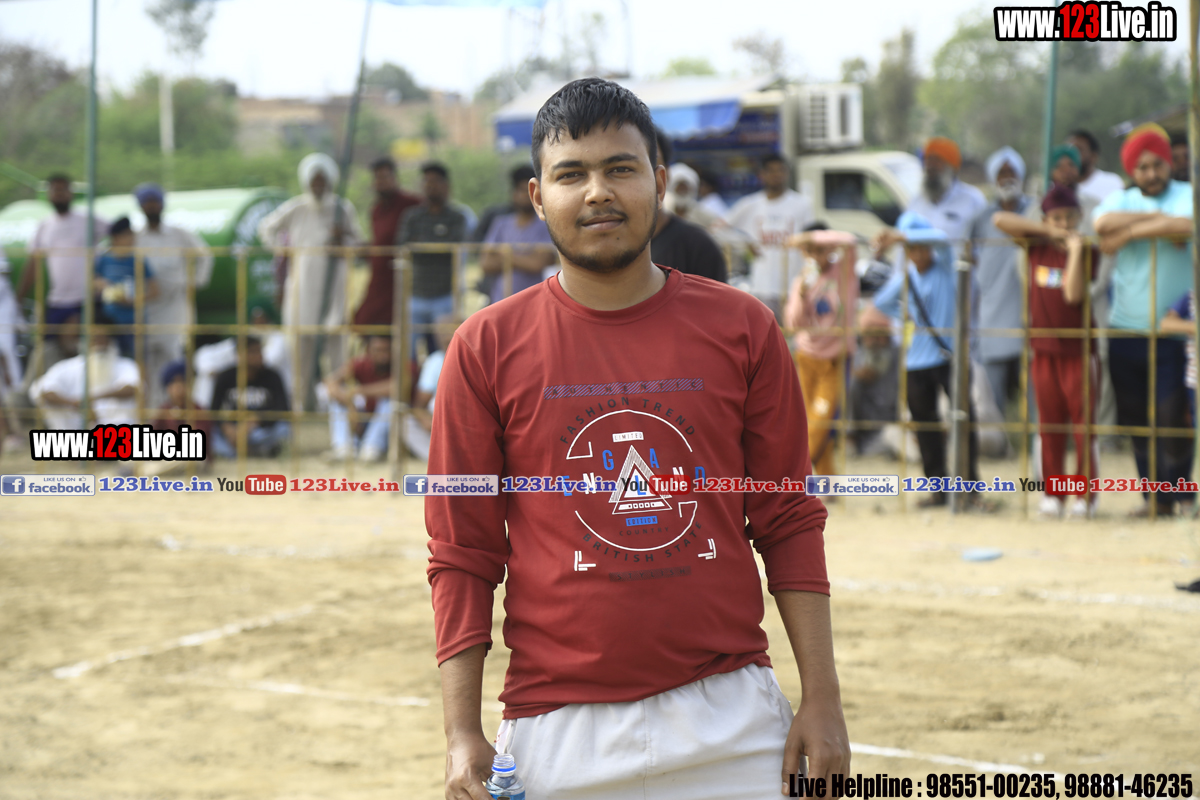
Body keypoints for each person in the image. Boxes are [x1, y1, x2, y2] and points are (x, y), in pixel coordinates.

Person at [428, 77, 848, 800]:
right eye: (572, 174)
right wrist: (461, 731)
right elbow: (462, 549)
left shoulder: (743, 328)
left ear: (658, 182)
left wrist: (823, 697)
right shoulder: (484, 347)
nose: (598, 192)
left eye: (619, 169)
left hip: (734, 721)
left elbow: (786, 516)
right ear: (537, 197)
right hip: (557, 731)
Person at [1094, 124, 1196, 517]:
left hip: (1173, 331)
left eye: (1157, 165)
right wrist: (1154, 218)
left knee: (1173, 417)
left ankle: (1182, 496)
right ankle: (1154, 499)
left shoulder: (1185, 193)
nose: (1151, 174)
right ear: (1131, 172)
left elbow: (1186, 224)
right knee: (1136, 421)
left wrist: (1130, 233)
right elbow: (1101, 224)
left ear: (1169, 163)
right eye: (1142, 168)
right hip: (1125, 328)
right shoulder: (1121, 198)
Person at [994, 185, 1101, 518]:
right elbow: (1000, 220)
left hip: (1079, 351)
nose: (1064, 224)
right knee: (1049, 424)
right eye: (1056, 218)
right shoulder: (1035, 245)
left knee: (1082, 425)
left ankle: (1084, 496)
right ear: (1045, 220)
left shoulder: (1087, 250)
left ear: (1079, 217)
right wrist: (1048, 232)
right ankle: (1053, 494)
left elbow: (1073, 295)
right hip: (1043, 350)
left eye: (1069, 217)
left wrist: (1074, 251)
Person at [868, 212, 984, 508]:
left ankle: (969, 488)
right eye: (910, 249)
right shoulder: (906, 278)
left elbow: (942, 239)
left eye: (920, 247)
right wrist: (906, 314)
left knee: (963, 422)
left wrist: (898, 236)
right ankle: (938, 490)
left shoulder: (945, 267)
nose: (916, 254)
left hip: (949, 357)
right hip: (916, 362)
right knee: (926, 429)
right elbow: (880, 302)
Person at [258, 152, 363, 412]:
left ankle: (339, 405)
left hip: (334, 289)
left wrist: (342, 238)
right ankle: (303, 404)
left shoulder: (342, 208)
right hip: (302, 290)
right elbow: (267, 228)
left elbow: (358, 244)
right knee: (300, 351)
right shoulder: (297, 208)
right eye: (314, 181)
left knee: (337, 349)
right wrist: (283, 249)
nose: (318, 186)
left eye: (322, 181)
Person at [783, 229, 858, 477]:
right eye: (810, 251)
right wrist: (802, 295)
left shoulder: (844, 271)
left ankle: (791, 475)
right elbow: (794, 325)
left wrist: (810, 238)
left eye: (820, 249)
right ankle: (827, 483)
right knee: (809, 421)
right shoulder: (802, 280)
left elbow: (850, 240)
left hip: (835, 359)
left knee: (821, 421)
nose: (815, 255)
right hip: (807, 357)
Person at [133, 182, 214, 409]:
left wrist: (195, 282)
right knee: (147, 363)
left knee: (174, 358)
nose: (151, 206)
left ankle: (178, 411)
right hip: (147, 308)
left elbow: (205, 256)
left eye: (155, 202)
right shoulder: (137, 237)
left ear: (162, 204)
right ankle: (153, 414)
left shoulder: (178, 234)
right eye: (147, 202)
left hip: (174, 307)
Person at [18, 173, 108, 365]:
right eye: (55, 190)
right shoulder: (45, 225)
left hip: (85, 298)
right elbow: (33, 263)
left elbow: (119, 236)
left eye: (63, 190)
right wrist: (19, 297)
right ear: (49, 194)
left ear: (71, 193)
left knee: (83, 347)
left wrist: (106, 274)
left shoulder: (87, 219)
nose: (59, 194)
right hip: (57, 300)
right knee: (46, 349)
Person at [970, 147, 1030, 415]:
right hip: (992, 318)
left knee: (1033, 400)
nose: (1007, 178)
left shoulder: (1035, 210)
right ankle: (998, 437)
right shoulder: (982, 218)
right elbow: (967, 256)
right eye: (1001, 173)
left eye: (1012, 172)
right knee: (993, 404)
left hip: (1029, 319)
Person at [726, 153, 815, 318]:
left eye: (781, 170)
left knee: (792, 330)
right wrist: (745, 244)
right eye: (771, 171)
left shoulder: (801, 204)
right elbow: (721, 228)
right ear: (762, 174)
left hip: (791, 284)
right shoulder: (751, 204)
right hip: (762, 285)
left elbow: (812, 238)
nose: (776, 175)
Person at [397, 161, 467, 358]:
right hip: (415, 294)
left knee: (447, 353)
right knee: (407, 354)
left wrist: (421, 245)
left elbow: (454, 247)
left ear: (446, 185)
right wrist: (436, 245)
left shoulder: (457, 217)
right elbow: (403, 246)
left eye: (435, 181)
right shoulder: (412, 217)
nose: (430, 186)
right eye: (426, 181)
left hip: (445, 295)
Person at [29, 306, 140, 430]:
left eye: (103, 338)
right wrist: (75, 405)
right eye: (95, 339)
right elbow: (44, 390)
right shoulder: (67, 367)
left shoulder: (126, 365)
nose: (99, 343)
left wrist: (91, 399)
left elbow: (133, 388)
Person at [649, 129, 729, 283]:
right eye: (621, 168)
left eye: (651, 162)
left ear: (663, 177)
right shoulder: (606, 245)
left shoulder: (700, 245)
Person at [353, 158, 421, 330]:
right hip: (379, 278)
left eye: (384, 177)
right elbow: (378, 240)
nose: (380, 182)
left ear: (394, 178)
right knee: (367, 321)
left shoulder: (412, 204)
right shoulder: (376, 209)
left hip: (402, 277)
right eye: (377, 178)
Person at [480, 165, 558, 304]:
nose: (525, 196)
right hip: (500, 301)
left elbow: (538, 263)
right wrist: (524, 258)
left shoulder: (546, 225)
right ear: (513, 193)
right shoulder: (501, 224)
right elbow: (486, 263)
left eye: (529, 191)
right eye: (521, 190)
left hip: (534, 302)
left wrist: (505, 255)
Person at [208, 336, 291, 458]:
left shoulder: (272, 376)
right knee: (208, 433)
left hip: (260, 429)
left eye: (260, 351)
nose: (260, 356)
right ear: (240, 355)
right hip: (233, 428)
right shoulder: (225, 377)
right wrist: (226, 427)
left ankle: (236, 452)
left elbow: (283, 408)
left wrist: (257, 419)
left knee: (283, 429)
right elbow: (214, 410)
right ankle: (254, 451)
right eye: (253, 352)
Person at [94, 217, 159, 359]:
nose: (132, 239)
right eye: (127, 235)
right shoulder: (104, 260)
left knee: (138, 360)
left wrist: (133, 300)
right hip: (110, 322)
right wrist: (103, 286)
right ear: (116, 237)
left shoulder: (138, 260)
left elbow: (155, 291)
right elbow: (94, 282)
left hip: (134, 322)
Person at [323, 334, 394, 462]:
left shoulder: (400, 366)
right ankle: (344, 448)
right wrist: (350, 404)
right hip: (362, 418)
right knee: (337, 403)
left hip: (387, 426)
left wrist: (358, 390)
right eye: (378, 350)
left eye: (387, 350)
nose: (383, 355)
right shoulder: (361, 363)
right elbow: (331, 383)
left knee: (391, 403)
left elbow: (396, 388)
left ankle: (372, 448)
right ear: (368, 350)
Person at [404, 314, 455, 462]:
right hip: (439, 419)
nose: (445, 336)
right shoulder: (434, 361)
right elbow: (419, 405)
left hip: (467, 418)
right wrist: (426, 420)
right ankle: (437, 458)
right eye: (442, 333)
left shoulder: (477, 357)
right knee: (405, 422)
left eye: (449, 332)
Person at [153, 359, 212, 444]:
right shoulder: (163, 412)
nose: (179, 387)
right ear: (168, 387)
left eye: (183, 381)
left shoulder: (199, 412)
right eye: (174, 382)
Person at [1068, 129, 1126, 206]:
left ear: (1093, 156)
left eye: (1078, 150)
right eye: (1069, 151)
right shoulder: (1057, 187)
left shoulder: (1111, 183)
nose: (1072, 155)